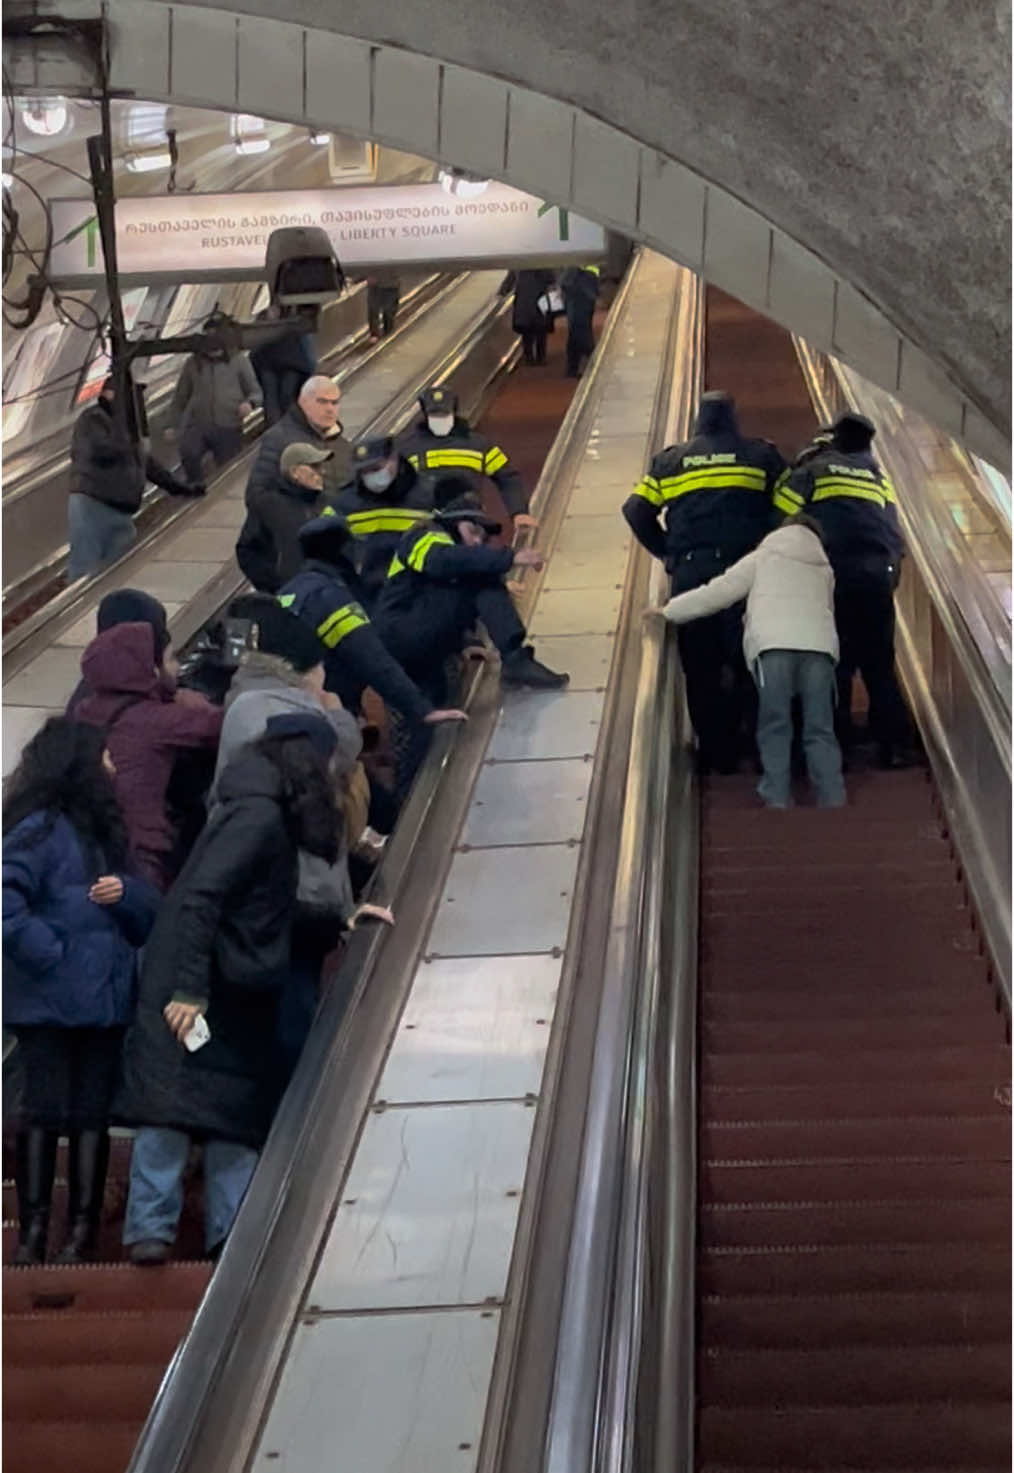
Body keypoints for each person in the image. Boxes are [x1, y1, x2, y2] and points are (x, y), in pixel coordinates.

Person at [117, 714, 343, 1264]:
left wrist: (339, 920)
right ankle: (215, 1238)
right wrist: (189, 991)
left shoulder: (255, 811)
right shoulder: (259, 817)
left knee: (213, 1108)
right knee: (190, 1107)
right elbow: (200, 899)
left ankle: (198, 1234)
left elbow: (259, 906)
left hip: (228, 981)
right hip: (204, 982)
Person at [3, 719, 158, 1264]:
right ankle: (36, 1233)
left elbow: (147, 913)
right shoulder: (38, 832)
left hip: (101, 998)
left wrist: (129, 895)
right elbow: (4, 903)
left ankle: (78, 1234)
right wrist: (52, 956)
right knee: (47, 1112)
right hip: (51, 1000)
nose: (113, 767)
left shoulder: (104, 835)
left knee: (88, 1113)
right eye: (105, 758)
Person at [208, 596, 375, 1075]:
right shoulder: (269, 707)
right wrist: (337, 712)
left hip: (285, 883)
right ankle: (292, 1107)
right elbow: (330, 758)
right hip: (287, 885)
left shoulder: (250, 701)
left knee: (290, 992)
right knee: (290, 1001)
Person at [623, 390, 787, 773]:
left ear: (699, 418)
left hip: (692, 573)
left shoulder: (671, 462)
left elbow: (635, 510)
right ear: (734, 418)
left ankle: (717, 752)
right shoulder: (760, 456)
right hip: (746, 572)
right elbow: (788, 506)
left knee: (700, 665)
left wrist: (666, 552)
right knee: (752, 658)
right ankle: (760, 746)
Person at [649, 515, 845, 809]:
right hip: (819, 650)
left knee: (775, 724)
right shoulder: (824, 568)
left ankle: (777, 798)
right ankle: (832, 799)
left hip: (773, 647)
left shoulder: (762, 557)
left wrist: (669, 611)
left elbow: (718, 593)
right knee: (820, 728)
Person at [774, 411, 911, 767]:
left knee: (837, 661)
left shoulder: (814, 471)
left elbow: (780, 511)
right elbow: (894, 531)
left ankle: (839, 742)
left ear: (836, 439)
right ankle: (892, 746)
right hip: (878, 575)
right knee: (879, 663)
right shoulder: (878, 479)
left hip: (835, 574)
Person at [279, 514, 467, 735]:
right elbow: (370, 656)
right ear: (342, 552)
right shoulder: (330, 597)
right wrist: (421, 709)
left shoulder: (291, 591)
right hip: (321, 711)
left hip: (283, 705)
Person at [74, 621, 223, 891]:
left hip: (89, 844)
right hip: (142, 855)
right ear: (152, 669)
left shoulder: (84, 710)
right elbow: (223, 726)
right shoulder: (156, 719)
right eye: (171, 658)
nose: (177, 668)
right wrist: (196, 703)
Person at [68, 377, 204, 582]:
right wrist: (128, 440)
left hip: (121, 510)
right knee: (86, 568)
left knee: (123, 568)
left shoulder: (129, 430)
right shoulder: (93, 419)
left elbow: (147, 466)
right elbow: (97, 450)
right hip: (93, 505)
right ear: (109, 395)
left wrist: (180, 488)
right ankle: (79, 611)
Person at [398, 387, 537, 530]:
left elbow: (507, 477)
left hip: (470, 523)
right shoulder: (407, 448)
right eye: (434, 414)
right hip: (425, 525)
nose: (439, 419)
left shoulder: (478, 444)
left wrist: (519, 512)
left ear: (453, 412)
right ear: (425, 415)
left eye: (444, 414)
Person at [331, 436, 435, 606]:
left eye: (375, 468)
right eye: (364, 472)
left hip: (421, 597)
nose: (370, 476)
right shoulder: (346, 504)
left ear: (393, 459)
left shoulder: (428, 495)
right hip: (370, 599)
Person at [235, 442, 333, 593]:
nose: (323, 472)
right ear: (294, 472)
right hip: (288, 596)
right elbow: (247, 551)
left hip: (326, 593)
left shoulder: (327, 502)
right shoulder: (269, 505)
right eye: (315, 467)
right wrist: (275, 585)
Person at [169, 324, 261, 483]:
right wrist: (172, 425)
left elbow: (256, 392)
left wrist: (250, 404)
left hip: (228, 426)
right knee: (188, 452)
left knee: (227, 470)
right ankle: (195, 487)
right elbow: (180, 397)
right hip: (197, 424)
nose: (213, 354)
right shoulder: (193, 363)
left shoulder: (239, 361)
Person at [244, 375, 352, 512]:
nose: (330, 409)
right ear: (303, 402)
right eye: (322, 402)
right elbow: (256, 496)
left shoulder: (344, 446)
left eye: (335, 402)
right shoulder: (278, 439)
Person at [249, 304, 317, 426]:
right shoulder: (293, 313)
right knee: (274, 397)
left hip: (288, 364)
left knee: (282, 396)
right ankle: (279, 430)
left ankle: (285, 428)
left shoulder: (294, 312)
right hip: (274, 363)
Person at [503, 268, 555, 365]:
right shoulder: (541, 265)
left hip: (524, 302)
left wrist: (502, 292)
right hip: (539, 302)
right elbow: (551, 279)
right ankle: (540, 357)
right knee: (540, 331)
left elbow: (509, 281)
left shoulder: (517, 266)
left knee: (527, 331)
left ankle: (529, 357)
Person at [560, 263, 601, 378]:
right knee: (581, 334)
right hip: (580, 303)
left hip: (579, 303)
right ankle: (591, 364)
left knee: (576, 335)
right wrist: (594, 296)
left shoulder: (575, 265)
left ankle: (573, 368)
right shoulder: (578, 268)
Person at [366, 269, 401, 341]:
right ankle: (374, 334)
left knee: (388, 311)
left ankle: (388, 330)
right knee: (373, 309)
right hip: (375, 286)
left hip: (390, 285)